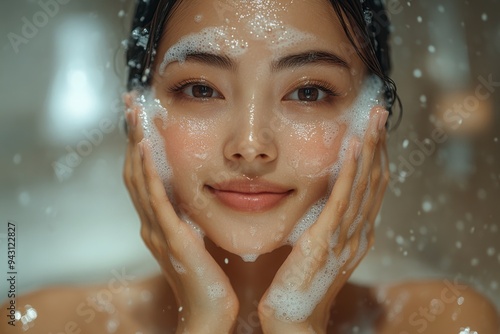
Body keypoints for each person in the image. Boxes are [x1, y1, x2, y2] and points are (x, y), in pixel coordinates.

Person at [2, 0, 498, 333]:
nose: (251, 145)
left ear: (374, 122)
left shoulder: (444, 321)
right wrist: (201, 321)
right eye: (201, 89)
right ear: (139, 117)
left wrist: (298, 323)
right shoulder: (33, 324)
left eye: (308, 92)